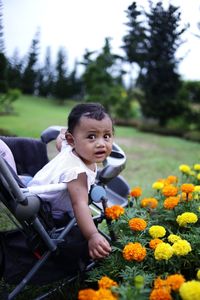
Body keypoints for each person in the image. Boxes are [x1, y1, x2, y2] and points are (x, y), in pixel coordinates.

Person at [26, 102, 113, 260]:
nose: (101, 143)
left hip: (32, 185)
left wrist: (63, 135)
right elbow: (79, 204)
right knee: (81, 206)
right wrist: (93, 235)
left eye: (106, 136)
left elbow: (61, 141)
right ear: (72, 140)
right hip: (49, 210)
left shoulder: (70, 146)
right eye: (91, 136)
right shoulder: (77, 173)